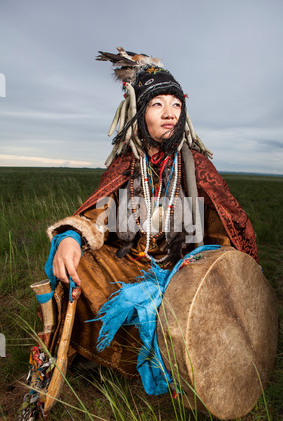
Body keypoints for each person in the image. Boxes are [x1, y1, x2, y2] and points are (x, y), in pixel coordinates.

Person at [44, 48, 258, 394]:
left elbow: (226, 226)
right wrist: (72, 235)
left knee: (188, 307)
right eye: (158, 104)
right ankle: (90, 355)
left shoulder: (198, 166)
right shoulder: (126, 164)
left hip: (184, 269)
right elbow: (101, 210)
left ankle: (170, 365)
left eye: (176, 104)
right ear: (140, 113)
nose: (170, 113)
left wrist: (211, 268)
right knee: (77, 268)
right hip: (130, 261)